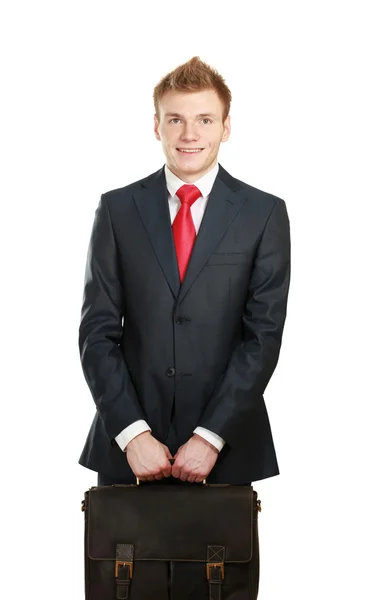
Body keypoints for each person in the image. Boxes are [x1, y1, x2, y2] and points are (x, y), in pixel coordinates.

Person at [78, 56, 291, 488]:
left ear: (226, 127)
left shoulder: (264, 213)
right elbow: (97, 332)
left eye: (205, 120)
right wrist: (132, 433)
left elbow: (262, 337)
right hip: (129, 454)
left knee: (221, 558)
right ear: (156, 126)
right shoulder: (118, 210)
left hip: (229, 449)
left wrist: (211, 437)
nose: (190, 134)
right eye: (175, 119)